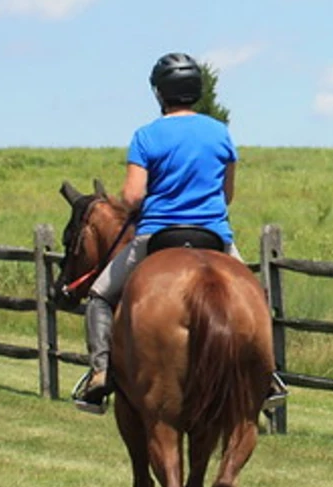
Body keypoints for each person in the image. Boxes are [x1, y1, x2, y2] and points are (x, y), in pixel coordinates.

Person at [71, 52, 240, 414]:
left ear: (160, 93)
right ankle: (267, 372)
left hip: (158, 238)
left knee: (100, 296)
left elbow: (133, 196)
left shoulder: (147, 135)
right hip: (213, 236)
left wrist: (126, 201)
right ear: (196, 90)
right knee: (254, 293)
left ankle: (100, 374)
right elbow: (227, 195)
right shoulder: (220, 132)